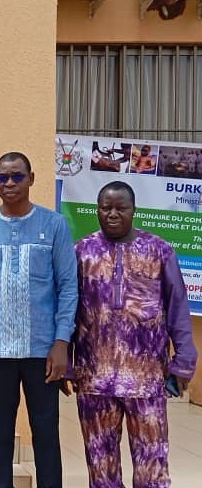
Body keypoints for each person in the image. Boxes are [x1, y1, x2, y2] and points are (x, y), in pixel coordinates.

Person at [68, 181, 197, 488]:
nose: (112, 214)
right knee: (101, 465)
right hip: (95, 378)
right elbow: (68, 310)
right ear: (97, 210)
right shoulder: (82, 252)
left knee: (152, 464)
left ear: (133, 210)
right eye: (105, 208)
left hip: (147, 378)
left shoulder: (159, 250)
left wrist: (184, 361)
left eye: (120, 208)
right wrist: (69, 362)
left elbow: (177, 305)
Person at [0, 152, 78, 488]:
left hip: (42, 351)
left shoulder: (53, 225)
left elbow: (68, 288)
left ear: (32, 178)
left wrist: (61, 343)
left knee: (45, 431)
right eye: (2, 177)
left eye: (17, 176)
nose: (9, 183)